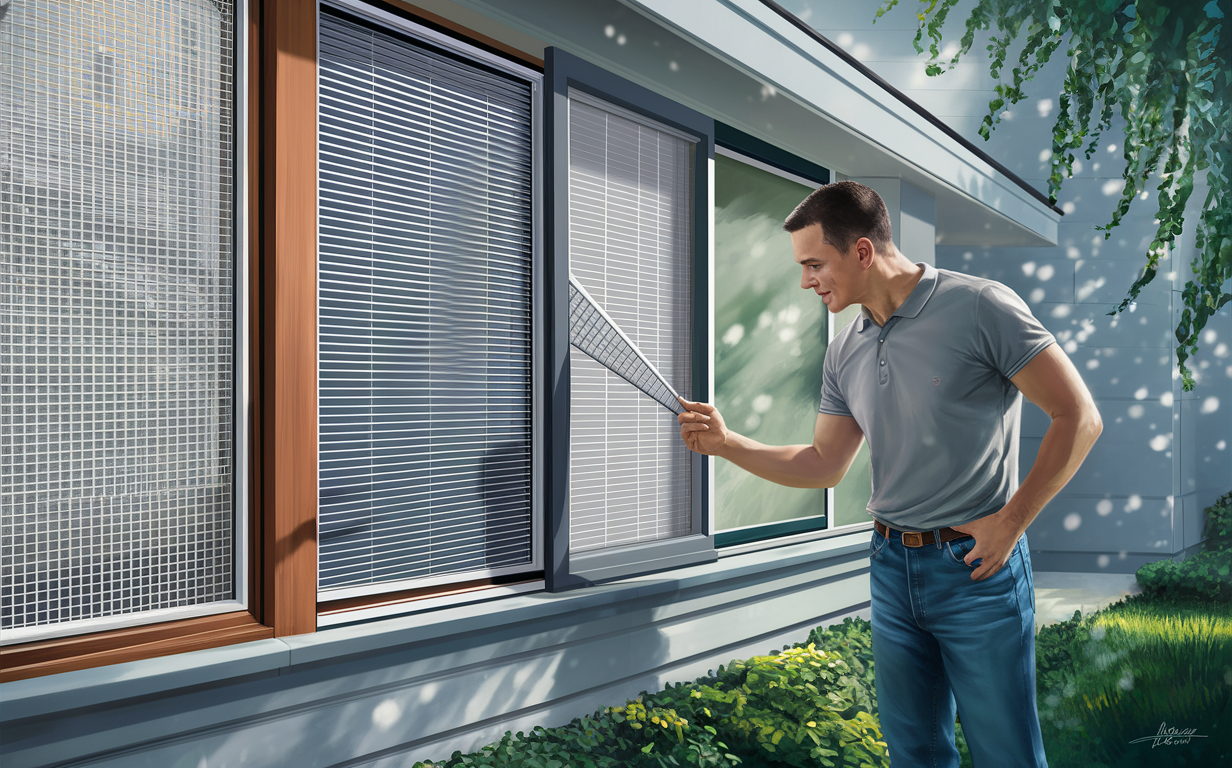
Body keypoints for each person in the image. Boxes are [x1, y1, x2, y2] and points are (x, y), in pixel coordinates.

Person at [676, 181, 1102, 768]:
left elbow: (1078, 416)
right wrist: (728, 445)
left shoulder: (981, 306)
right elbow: (824, 465)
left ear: (862, 252)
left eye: (814, 264)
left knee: (1007, 756)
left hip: (977, 571)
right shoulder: (844, 348)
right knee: (916, 754)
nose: (806, 281)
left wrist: (1012, 522)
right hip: (892, 570)